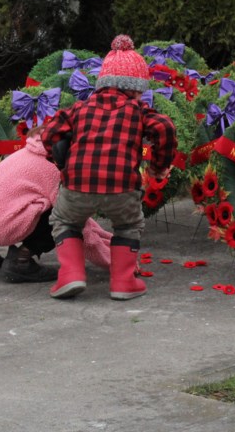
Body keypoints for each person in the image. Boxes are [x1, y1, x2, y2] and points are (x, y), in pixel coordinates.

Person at [40, 35, 177, 300]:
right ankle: (124, 283)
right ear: (136, 88)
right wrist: (158, 167)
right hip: (122, 186)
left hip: (78, 184)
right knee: (128, 226)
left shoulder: (80, 108)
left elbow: (51, 133)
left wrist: (60, 162)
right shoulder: (137, 110)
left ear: (102, 83)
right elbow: (165, 127)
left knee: (65, 220)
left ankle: (71, 275)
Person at [0, 126, 112, 283]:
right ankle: (20, 261)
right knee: (61, 215)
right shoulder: (56, 169)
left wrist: (103, 236)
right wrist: (113, 261)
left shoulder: (29, 151)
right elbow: (75, 220)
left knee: (2, 199)